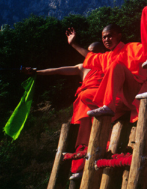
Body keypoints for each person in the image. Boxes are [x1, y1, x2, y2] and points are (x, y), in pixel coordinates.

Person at [23, 30, 106, 172]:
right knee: (83, 134)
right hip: (84, 102)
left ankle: (103, 159)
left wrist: (74, 44)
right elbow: (57, 70)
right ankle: (80, 167)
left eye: (93, 52)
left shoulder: (107, 63)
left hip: (100, 99)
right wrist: (36, 72)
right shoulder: (82, 67)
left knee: (101, 131)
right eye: (89, 51)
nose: (89, 55)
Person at [85, 24, 147, 118]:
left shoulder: (132, 47)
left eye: (110, 36)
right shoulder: (106, 56)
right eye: (104, 37)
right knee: (85, 95)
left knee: (116, 65)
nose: (106, 39)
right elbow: (89, 57)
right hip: (120, 98)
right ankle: (115, 113)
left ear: (119, 36)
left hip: (135, 92)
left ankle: (108, 106)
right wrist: (73, 44)